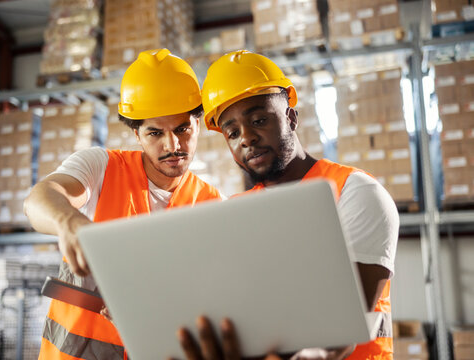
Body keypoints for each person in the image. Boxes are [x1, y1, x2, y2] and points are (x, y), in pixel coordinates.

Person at [174, 50, 399, 360]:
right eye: (233, 132)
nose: (247, 139)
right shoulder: (237, 214)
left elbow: (341, 330)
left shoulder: (355, 192)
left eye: (259, 120)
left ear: (292, 117)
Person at [24, 48, 223, 360]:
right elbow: (40, 198)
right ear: (136, 133)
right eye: (155, 132)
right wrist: (68, 222)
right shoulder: (100, 168)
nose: (172, 145)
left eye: (182, 128)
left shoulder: (213, 206)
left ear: (198, 123)